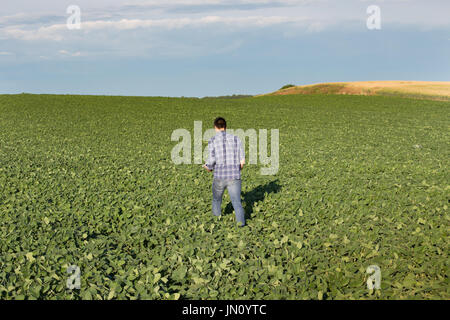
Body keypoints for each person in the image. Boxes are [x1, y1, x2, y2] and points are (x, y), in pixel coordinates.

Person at [203, 117, 246, 227]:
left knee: (217, 200)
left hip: (220, 176)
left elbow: (212, 159)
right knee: (237, 202)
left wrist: (208, 167)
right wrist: (236, 169)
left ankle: (216, 223)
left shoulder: (212, 140)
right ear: (225, 127)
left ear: (215, 127)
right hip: (234, 176)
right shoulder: (236, 139)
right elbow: (242, 162)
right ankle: (241, 226)